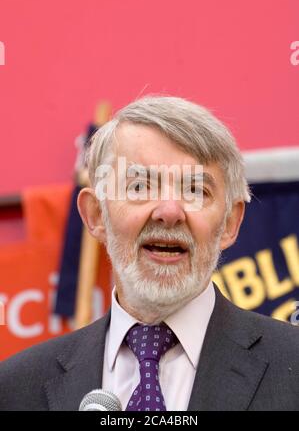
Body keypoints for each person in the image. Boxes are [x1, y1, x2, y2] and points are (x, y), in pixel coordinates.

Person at [1, 95, 299, 411]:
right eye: (140, 187)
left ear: (229, 223)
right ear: (96, 215)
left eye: (195, 191)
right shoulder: (15, 389)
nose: (169, 212)